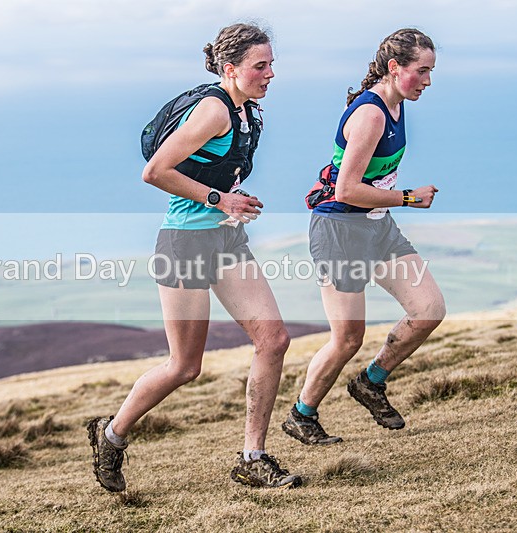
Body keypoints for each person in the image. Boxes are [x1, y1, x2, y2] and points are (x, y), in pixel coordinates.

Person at [88, 23, 302, 491]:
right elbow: (155, 171)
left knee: (274, 339)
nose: (270, 74)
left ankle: (253, 457)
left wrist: (234, 199)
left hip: (225, 242)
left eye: (272, 65)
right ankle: (111, 435)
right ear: (230, 69)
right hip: (184, 243)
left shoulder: (250, 113)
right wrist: (220, 201)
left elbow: (218, 171)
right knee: (184, 366)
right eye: (259, 66)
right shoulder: (213, 110)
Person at [281, 28, 446, 446]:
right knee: (348, 338)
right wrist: (408, 197)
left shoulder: (396, 101)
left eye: (431, 71)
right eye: (421, 71)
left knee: (428, 309)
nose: (427, 81)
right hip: (339, 231)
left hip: (377, 226)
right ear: (395, 68)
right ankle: (302, 414)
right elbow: (346, 190)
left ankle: (370, 383)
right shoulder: (371, 114)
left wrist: (393, 203)